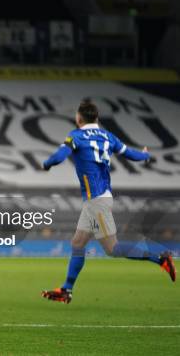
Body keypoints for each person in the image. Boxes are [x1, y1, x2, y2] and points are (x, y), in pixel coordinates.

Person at [41, 99, 175, 304]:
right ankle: (66, 289)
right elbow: (130, 154)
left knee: (112, 248)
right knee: (78, 242)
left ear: (79, 118)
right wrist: (145, 155)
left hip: (97, 200)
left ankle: (160, 257)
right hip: (98, 199)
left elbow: (60, 156)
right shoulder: (107, 136)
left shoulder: (76, 136)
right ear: (97, 118)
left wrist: (47, 164)